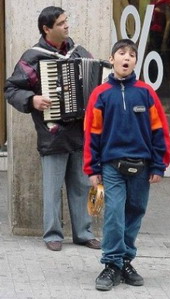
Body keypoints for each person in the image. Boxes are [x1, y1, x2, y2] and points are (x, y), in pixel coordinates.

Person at [4, 6, 101, 251]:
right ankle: (52, 234)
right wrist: (32, 100)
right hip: (53, 132)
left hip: (81, 131)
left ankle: (83, 232)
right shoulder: (34, 57)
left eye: (66, 21)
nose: (66, 26)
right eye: (60, 23)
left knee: (80, 185)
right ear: (47, 29)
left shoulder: (79, 53)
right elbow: (12, 89)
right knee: (52, 187)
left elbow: (97, 79)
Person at [83, 39, 170, 291]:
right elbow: (92, 133)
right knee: (113, 214)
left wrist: (158, 165)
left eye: (132, 55)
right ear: (112, 59)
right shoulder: (100, 94)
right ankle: (111, 263)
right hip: (111, 166)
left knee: (134, 212)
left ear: (135, 61)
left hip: (142, 167)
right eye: (121, 53)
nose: (127, 58)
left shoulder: (146, 92)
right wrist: (93, 168)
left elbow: (159, 130)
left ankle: (125, 261)